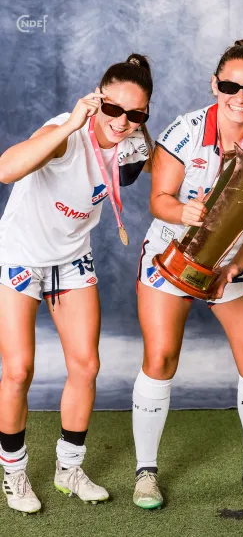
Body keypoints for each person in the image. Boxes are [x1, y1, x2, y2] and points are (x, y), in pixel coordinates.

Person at [133, 40, 243, 509]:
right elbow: (159, 200)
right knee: (161, 356)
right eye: (230, 86)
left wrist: (235, 265)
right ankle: (146, 471)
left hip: (233, 260)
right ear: (214, 84)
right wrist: (184, 212)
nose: (240, 97)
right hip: (173, 252)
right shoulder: (184, 130)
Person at [0, 54, 153, 514]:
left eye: (135, 114)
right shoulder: (65, 134)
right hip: (22, 257)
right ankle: (13, 473)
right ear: (96, 100)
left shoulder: (133, 143)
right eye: (113, 109)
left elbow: (162, 168)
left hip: (70, 260)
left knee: (86, 366)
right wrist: (70, 123)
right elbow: (6, 169)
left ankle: (68, 469)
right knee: (18, 370)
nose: (122, 121)